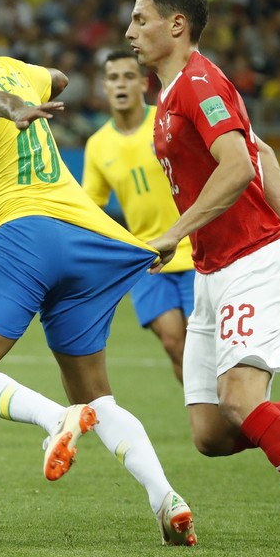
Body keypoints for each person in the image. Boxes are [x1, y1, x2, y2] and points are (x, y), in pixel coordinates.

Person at [0, 0, 196, 546]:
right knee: (98, 398)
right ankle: (166, 500)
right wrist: (27, 91)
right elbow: (57, 77)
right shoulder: (12, 70)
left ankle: (55, 418)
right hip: (86, 240)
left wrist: (9, 108)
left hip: (30, 233)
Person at [127, 0, 280, 550]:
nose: (130, 31)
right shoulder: (172, 94)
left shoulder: (201, 84)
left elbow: (239, 167)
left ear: (177, 26)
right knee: (211, 433)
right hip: (212, 272)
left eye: (141, 20)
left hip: (252, 263)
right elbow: (261, 152)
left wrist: (174, 235)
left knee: (241, 399)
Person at [83, 50, 195, 385]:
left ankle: (222, 419)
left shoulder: (166, 122)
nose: (121, 83)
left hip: (193, 248)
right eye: (113, 77)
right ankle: (206, 416)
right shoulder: (98, 145)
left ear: (144, 83)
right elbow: (91, 208)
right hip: (147, 258)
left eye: (128, 76)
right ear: (104, 86)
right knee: (175, 343)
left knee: (203, 343)